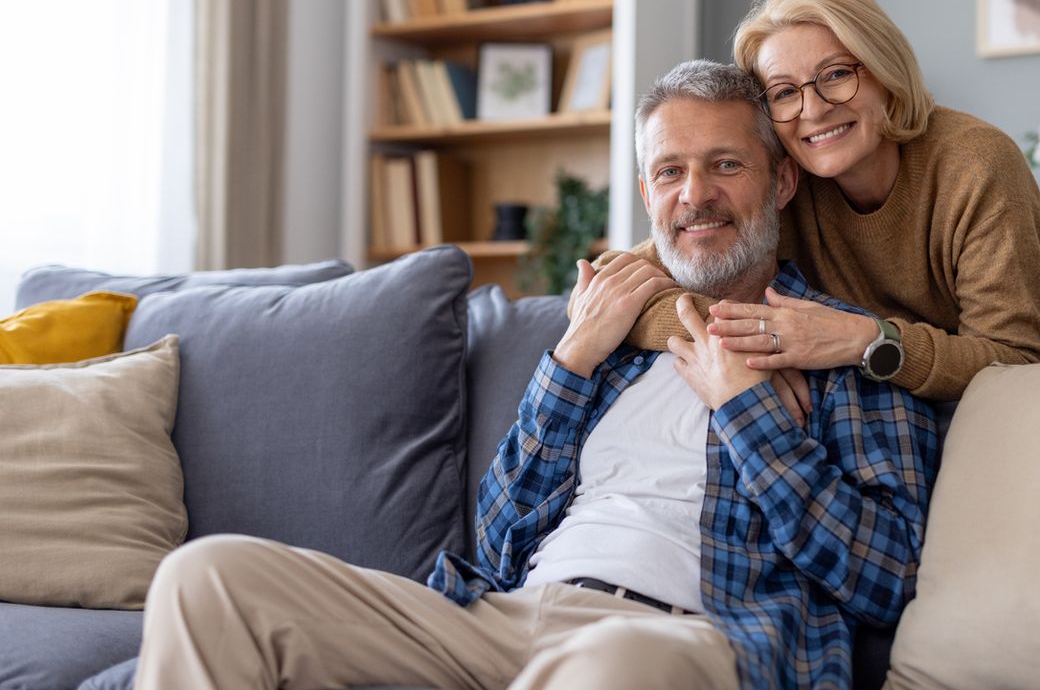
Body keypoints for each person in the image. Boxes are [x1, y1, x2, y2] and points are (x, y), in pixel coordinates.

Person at [132, 60, 938, 690]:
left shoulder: (839, 347)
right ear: (647, 193)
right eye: (669, 171)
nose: (695, 195)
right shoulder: (612, 341)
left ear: (782, 181)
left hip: (683, 639)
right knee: (207, 579)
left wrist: (748, 411)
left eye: (725, 164)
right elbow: (499, 542)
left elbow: (887, 580)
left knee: (614, 664)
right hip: (503, 620)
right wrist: (573, 358)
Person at [601, 0, 1040, 401]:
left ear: (886, 72)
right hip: (915, 365)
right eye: (784, 92)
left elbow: (1014, 359)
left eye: (835, 75)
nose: (813, 110)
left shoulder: (975, 165)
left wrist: (866, 340)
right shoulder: (783, 180)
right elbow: (608, 285)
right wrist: (760, 341)